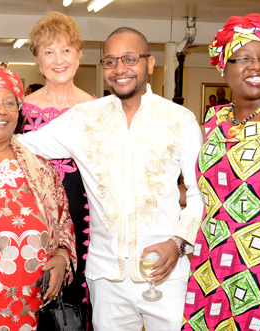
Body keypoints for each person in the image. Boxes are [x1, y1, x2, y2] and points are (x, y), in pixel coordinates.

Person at [17, 26, 203, 330]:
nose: (120, 70)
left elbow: (199, 193)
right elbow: (21, 145)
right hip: (106, 278)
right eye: (110, 61)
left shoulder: (179, 120)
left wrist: (178, 242)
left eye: (130, 59)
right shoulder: (84, 118)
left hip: (166, 273)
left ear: (150, 63)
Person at [182, 13, 260, 331]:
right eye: (243, 58)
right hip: (213, 265)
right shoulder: (216, 120)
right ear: (223, 66)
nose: (256, 66)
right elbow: (211, 189)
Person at [0, 67, 76, 330]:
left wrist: (61, 257)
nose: (1, 111)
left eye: (10, 103)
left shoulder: (41, 170)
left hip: (27, 311)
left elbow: (63, 224)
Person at [22, 11, 95, 329]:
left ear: (79, 55)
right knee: (33, 296)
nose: (58, 59)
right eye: (48, 51)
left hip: (87, 217)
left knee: (77, 308)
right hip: (34, 217)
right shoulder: (20, 109)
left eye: (66, 50)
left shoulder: (97, 110)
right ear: (37, 60)